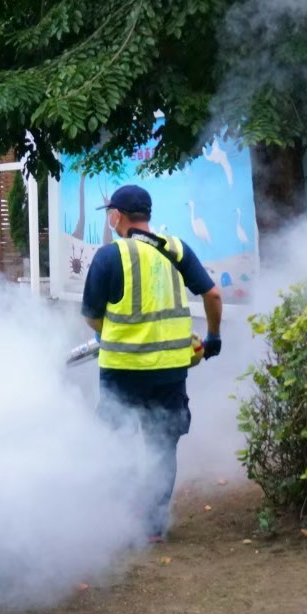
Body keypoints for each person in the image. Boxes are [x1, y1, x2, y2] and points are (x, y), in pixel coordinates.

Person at [81, 184, 222, 542]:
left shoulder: (110, 256)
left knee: (118, 442)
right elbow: (213, 294)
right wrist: (214, 338)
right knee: (161, 445)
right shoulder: (176, 249)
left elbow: (92, 317)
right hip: (170, 371)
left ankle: (124, 520)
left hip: (122, 372)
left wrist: (107, 335)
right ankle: (154, 526)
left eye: (111, 214)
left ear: (118, 216)